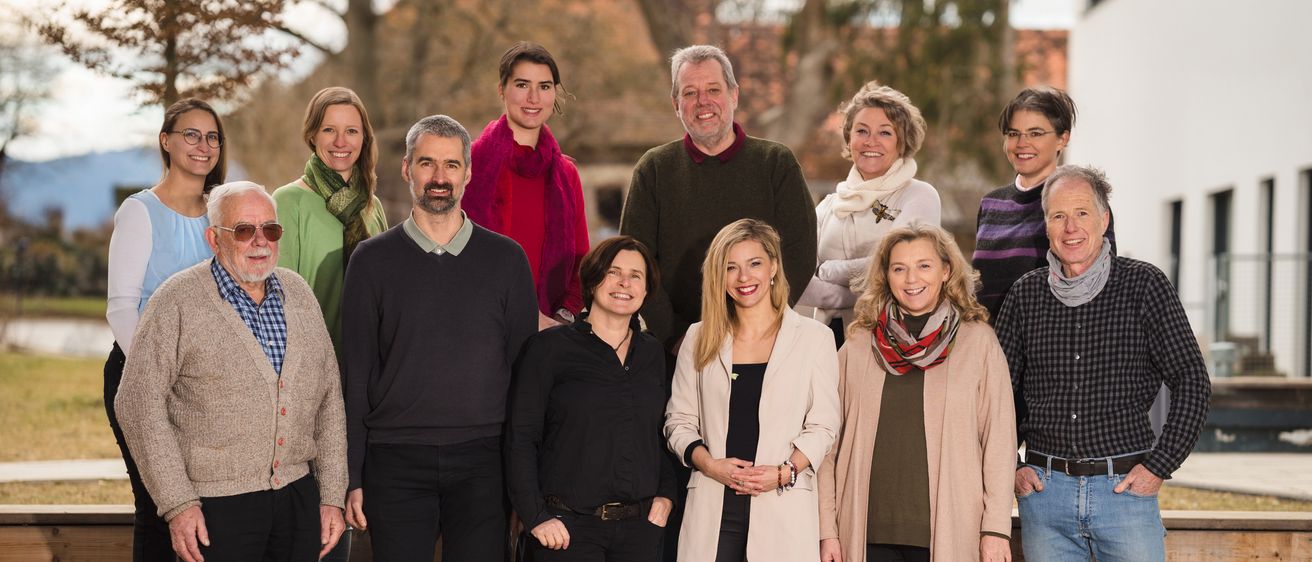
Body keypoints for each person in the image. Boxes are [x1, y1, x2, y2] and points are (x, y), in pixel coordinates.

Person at [115, 181, 348, 562]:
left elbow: (329, 401)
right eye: (243, 230)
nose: (261, 241)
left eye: (270, 230)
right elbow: (137, 403)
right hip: (214, 506)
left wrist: (332, 495)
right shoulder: (176, 301)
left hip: (298, 499)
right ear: (214, 238)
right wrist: (178, 502)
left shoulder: (300, 293)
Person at [340, 114, 538, 561]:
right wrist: (351, 475)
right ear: (407, 169)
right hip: (393, 459)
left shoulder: (506, 261)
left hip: (485, 461)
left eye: (451, 165)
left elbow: (528, 382)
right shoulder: (371, 261)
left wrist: (527, 483)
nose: (440, 177)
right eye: (427, 163)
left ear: (468, 172)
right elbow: (355, 375)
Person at [995, 165, 1211, 562]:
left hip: (1125, 493)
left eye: (1081, 213)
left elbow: (1192, 381)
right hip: (1045, 499)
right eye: (1058, 215)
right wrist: (1010, 467)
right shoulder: (1025, 295)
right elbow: (991, 394)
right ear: (1046, 224)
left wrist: (1159, 467)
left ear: (1104, 218)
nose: (1070, 227)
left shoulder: (1144, 285)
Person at [817, 224, 1016, 562]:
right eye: (899, 268)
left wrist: (995, 529)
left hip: (950, 531)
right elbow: (826, 443)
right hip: (864, 531)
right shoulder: (858, 344)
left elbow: (999, 441)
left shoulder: (977, 342)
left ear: (946, 271)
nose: (911, 279)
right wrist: (826, 529)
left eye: (924, 265)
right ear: (886, 275)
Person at [620, 44, 817, 355]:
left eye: (713, 89)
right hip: (678, 348)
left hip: (762, 345)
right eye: (689, 93)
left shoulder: (776, 163)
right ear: (675, 103)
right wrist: (673, 337)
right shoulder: (654, 169)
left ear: (734, 95)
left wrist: (757, 327)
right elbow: (635, 261)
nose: (703, 102)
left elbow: (799, 252)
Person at [664, 218, 840, 562]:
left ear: (774, 266)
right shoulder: (698, 338)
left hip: (783, 507)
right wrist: (711, 465)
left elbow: (824, 426)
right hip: (713, 507)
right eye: (731, 268)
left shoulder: (815, 338)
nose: (744, 278)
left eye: (754, 264)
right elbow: (678, 422)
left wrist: (784, 473)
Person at [104, 97, 227, 562]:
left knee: (207, 511)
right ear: (166, 141)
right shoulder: (139, 211)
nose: (203, 145)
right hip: (143, 377)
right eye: (191, 134)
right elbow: (120, 309)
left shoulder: (223, 210)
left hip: (205, 383)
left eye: (212, 136)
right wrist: (159, 376)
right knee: (159, 508)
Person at [506, 236, 676, 561]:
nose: (624, 282)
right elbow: (520, 439)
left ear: (646, 289)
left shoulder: (652, 353)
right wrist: (535, 515)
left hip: (638, 533)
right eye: (613, 272)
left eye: (635, 275)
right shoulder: (549, 349)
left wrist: (666, 495)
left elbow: (657, 435)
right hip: (566, 531)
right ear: (594, 278)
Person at [799, 81, 941, 343]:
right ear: (849, 138)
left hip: (893, 336)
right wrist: (848, 296)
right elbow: (795, 279)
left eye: (885, 133)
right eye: (862, 131)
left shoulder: (919, 196)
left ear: (902, 141)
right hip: (827, 339)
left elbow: (901, 267)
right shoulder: (828, 205)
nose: (871, 141)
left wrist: (828, 271)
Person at [466, 41, 590, 331]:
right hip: (476, 328)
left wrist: (561, 318)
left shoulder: (566, 174)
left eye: (544, 87)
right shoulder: (467, 164)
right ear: (502, 90)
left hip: (546, 336)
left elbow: (582, 263)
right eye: (522, 84)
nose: (533, 97)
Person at [972, 87, 1115, 321]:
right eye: (1013, 133)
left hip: (1049, 348)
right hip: (992, 348)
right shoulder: (991, 203)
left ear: (1063, 138)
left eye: (1035, 133)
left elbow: (1103, 286)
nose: (1021, 143)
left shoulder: (1082, 201)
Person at [273, 86, 388, 354]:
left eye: (351, 131)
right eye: (329, 130)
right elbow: (277, 299)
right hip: (311, 361)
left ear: (364, 138)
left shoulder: (373, 206)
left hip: (369, 361)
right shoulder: (288, 201)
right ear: (312, 135)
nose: (340, 142)